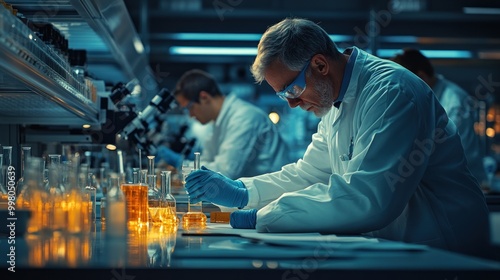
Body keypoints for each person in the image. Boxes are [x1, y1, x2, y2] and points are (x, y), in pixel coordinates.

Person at [184, 18, 492, 258]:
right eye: (282, 95)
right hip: (398, 244)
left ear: (319, 65)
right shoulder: (332, 101)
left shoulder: (391, 92)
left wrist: (260, 216)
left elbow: (370, 198)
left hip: (444, 245)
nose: (290, 103)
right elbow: (310, 173)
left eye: (291, 90)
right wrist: (244, 191)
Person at [156, 69, 290, 179]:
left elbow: (226, 172)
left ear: (204, 98)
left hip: (270, 200)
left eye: (189, 107)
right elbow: (207, 162)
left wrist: (180, 164)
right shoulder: (217, 124)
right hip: (250, 198)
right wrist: (184, 166)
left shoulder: (243, 117)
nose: (190, 115)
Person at [390, 48, 487, 185]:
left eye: (405, 83)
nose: (402, 90)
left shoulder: (455, 101)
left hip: (459, 185)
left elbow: (459, 152)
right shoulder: (421, 98)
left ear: (421, 77)